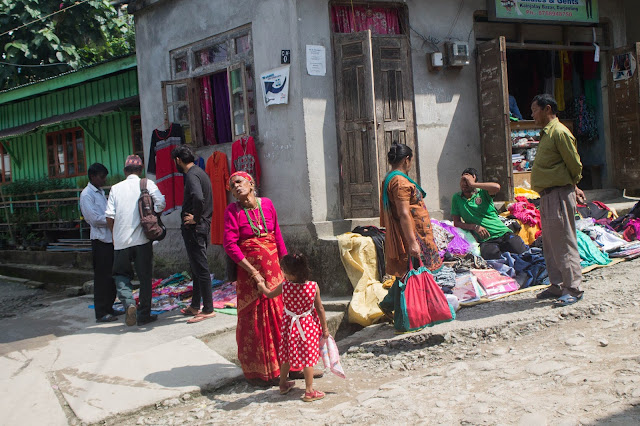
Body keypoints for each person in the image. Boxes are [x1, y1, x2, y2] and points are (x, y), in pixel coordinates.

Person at [223, 171, 288, 385]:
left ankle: (292, 367)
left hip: (275, 271)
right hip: (250, 275)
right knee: (256, 321)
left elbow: (277, 235)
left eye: (239, 182)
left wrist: (288, 267)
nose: (236, 187)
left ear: (251, 184)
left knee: (282, 315)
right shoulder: (232, 211)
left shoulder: (267, 204)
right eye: (232, 186)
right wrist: (253, 272)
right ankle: (262, 372)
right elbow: (230, 245)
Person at [530, 94, 586, 306]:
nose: (532, 115)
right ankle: (556, 285)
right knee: (551, 244)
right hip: (547, 196)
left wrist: (572, 185)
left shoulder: (560, 132)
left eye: (534, 110)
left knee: (563, 241)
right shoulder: (547, 133)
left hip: (559, 194)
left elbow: (575, 164)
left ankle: (573, 288)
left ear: (546, 109)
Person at [256, 253, 329, 402]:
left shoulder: (285, 286)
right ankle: (309, 391)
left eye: (284, 270)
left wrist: (262, 286)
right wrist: (325, 328)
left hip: (289, 326)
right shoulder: (313, 286)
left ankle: (283, 384)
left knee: (286, 355)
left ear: (292, 274)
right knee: (308, 358)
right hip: (307, 326)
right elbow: (320, 309)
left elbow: (269, 295)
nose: (283, 273)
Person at [106, 155, 166, 326]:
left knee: (120, 274)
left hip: (121, 241)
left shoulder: (115, 188)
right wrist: (153, 218)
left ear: (125, 171)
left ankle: (129, 302)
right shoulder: (147, 184)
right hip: (143, 240)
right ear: (140, 170)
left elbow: (109, 216)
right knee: (145, 277)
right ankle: (144, 314)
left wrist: (114, 234)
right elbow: (161, 203)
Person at [380, 143, 442, 276]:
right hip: (415, 235)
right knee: (418, 277)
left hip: (415, 233)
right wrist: (413, 243)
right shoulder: (399, 182)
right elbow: (403, 213)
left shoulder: (391, 178)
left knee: (414, 278)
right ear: (406, 159)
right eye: (411, 161)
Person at [171, 145, 216, 323]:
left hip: (195, 228)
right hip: (199, 227)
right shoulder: (200, 172)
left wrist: (196, 218)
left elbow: (198, 197)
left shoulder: (191, 175)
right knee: (196, 268)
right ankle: (195, 305)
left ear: (178, 160)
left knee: (201, 268)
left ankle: (209, 309)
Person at [451, 167, 528, 260]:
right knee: (493, 261)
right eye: (463, 180)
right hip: (486, 240)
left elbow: (497, 187)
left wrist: (473, 184)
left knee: (524, 255)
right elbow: (456, 222)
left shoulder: (483, 193)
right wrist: (474, 227)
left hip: (503, 233)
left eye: (467, 180)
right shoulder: (457, 198)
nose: (464, 183)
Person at [80, 163, 118, 323]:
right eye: (102, 177)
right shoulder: (87, 194)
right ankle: (101, 312)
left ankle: (109, 306)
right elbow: (94, 219)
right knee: (102, 278)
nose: (104, 180)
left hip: (110, 239)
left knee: (111, 276)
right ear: (93, 176)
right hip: (100, 240)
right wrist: (112, 219)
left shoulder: (101, 192)